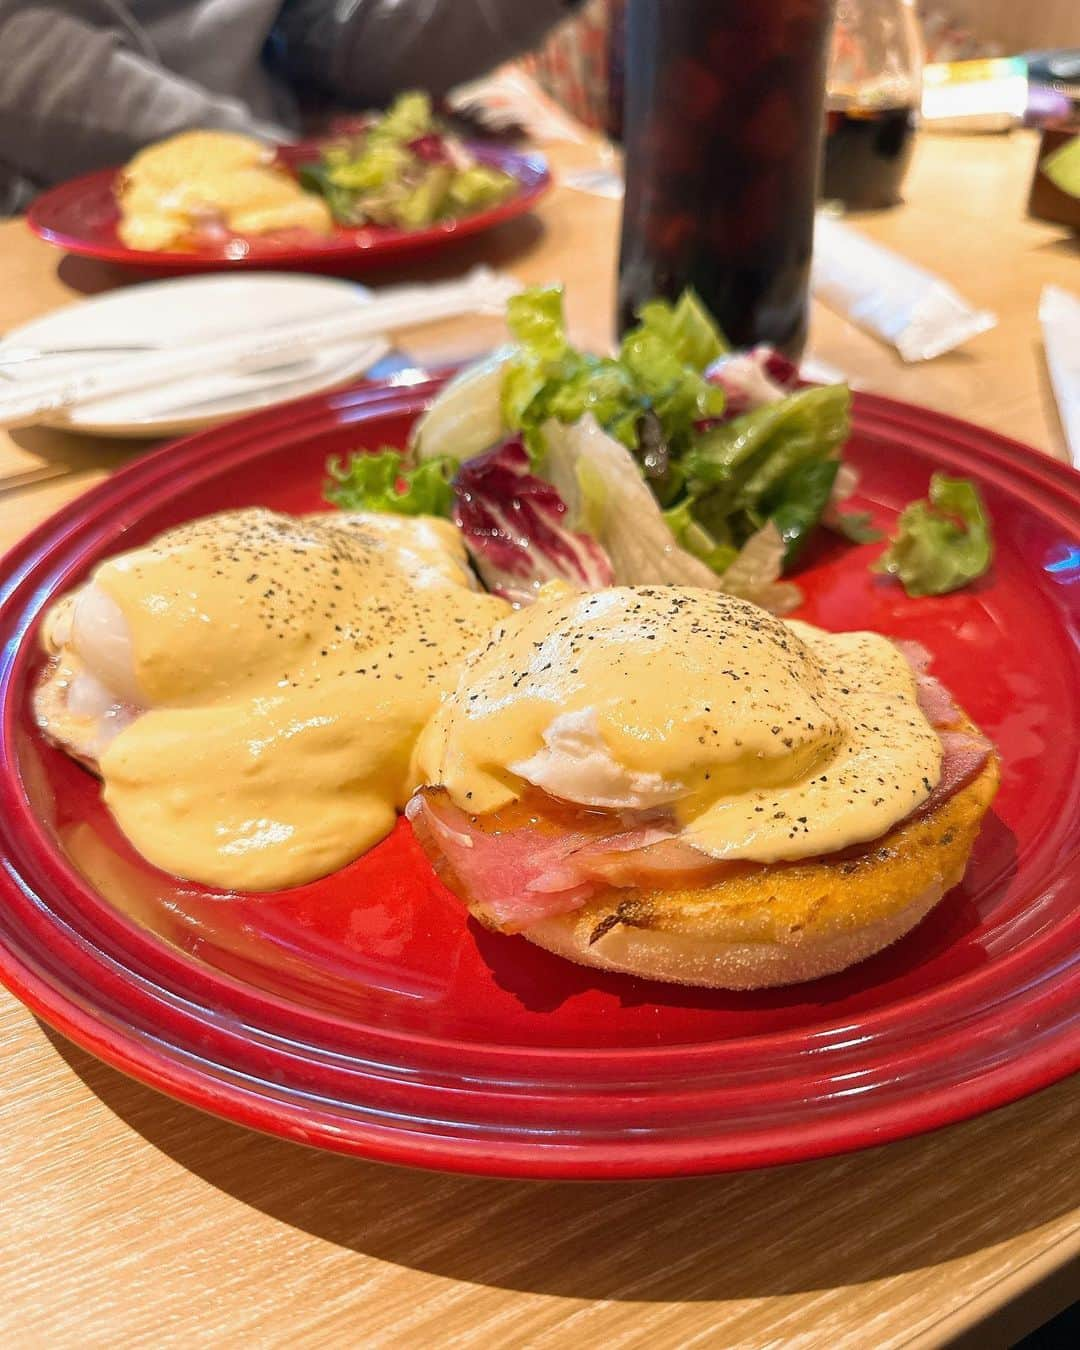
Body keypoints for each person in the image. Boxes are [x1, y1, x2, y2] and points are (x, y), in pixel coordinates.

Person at [0, 0, 585, 214]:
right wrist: (305, 176)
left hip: (283, 235)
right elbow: (26, 61)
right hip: (51, 247)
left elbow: (328, 33)